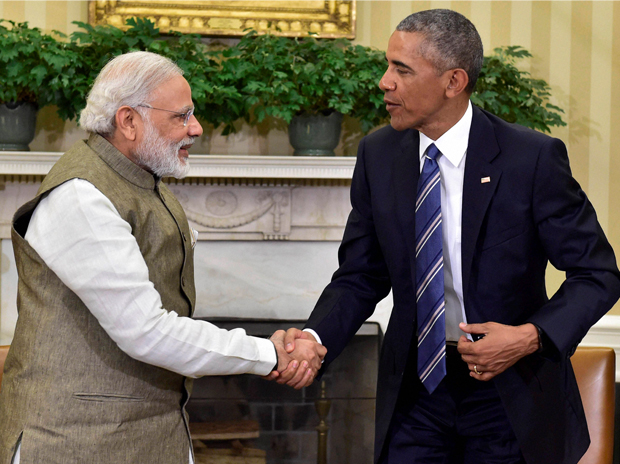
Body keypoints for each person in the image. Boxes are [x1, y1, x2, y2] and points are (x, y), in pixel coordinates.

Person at [274, 9, 620, 464]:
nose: (384, 81)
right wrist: (315, 337)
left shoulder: (529, 159)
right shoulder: (378, 154)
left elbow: (597, 274)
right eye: (387, 65)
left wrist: (528, 336)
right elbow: (360, 275)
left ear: (453, 81)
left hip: (509, 393)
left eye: (402, 69)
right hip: (415, 393)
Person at [0, 51, 325, 464]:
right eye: (181, 116)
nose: (196, 128)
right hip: (76, 443)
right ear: (128, 121)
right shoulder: (81, 196)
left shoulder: (142, 181)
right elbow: (146, 331)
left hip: (150, 434)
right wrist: (270, 353)